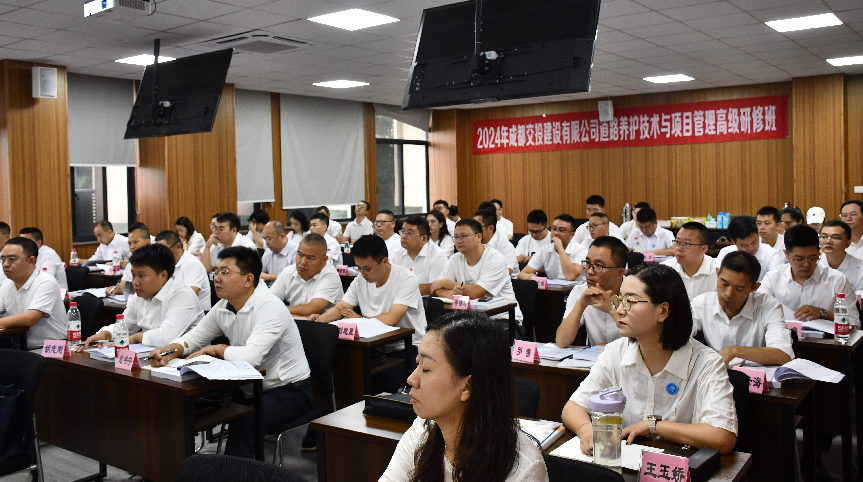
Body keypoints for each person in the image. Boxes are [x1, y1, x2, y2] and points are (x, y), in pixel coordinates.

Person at [149, 247, 312, 459]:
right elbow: (195, 337)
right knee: (186, 401)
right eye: (216, 272)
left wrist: (219, 349)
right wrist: (170, 351)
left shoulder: (270, 306)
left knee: (245, 421)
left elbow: (251, 358)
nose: (217, 278)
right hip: (247, 386)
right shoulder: (224, 305)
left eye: (225, 273)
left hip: (288, 389)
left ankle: (233, 473)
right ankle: (172, 466)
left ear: (248, 279)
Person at [562, 263, 738, 455]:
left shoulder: (707, 363)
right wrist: (587, 430)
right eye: (619, 300)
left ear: (663, 311)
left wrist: (653, 426)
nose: (619, 310)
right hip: (626, 462)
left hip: (675, 466)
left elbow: (722, 438)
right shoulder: (616, 352)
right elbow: (573, 407)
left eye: (630, 301)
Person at [380, 311, 549, 482]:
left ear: (467, 387)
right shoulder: (422, 431)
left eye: (426, 369)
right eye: (418, 364)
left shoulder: (523, 469)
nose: (411, 379)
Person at [311, 235, 426, 390]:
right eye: (359, 268)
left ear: (384, 261)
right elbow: (341, 308)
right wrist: (322, 319)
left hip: (405, 349)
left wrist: (362, 319)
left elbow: (391, 319)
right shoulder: (361, 279)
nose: (362, 273)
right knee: (344, 376)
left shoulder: (406, 279)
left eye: (367, 269)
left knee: (378, 386)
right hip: (373, 347)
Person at [80, 244, 204, 348]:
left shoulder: (183, 296)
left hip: (188, 361)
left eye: (141, 276)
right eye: (133, 275)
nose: (135, 282)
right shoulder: (141, 295)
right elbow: (125, 325)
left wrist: (136, 338)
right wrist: (105, 334)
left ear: (163, 276)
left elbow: (165, 338)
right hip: (153, 355)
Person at [690, 251, 793, 367]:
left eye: (739, 289)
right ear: (717, 274)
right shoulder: (701, 304)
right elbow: (678, 338)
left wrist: (734, 351)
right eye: (724, 284)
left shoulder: (769, 306)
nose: (729, 294)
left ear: (754, 287)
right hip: (715, 373)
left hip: (755, 375)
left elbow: (783, 355)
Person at [758, 225, 859, 326]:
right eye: (799, 259)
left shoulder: (837, 280)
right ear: (786, 254)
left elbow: (854, 322)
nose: (806, 264)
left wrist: (824, 314)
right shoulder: (773, 279)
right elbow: (758, 315)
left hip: (825, 336)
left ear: (819, 253)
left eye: (812, 258)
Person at [431, 219, 521, 325]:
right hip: (470, 319)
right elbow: (435, 289)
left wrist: (445, 283)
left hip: (502, 318)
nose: (459, 241)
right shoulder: (455, 259)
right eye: (456, 237)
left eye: (464, 236)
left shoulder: (495, 259)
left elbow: (476, 292)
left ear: (478, 237)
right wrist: (451, 294)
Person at [556, 237, 627, 347]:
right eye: (588, 263)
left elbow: (640, 341)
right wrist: (581, 304)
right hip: (596, 357)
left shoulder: (637, 293)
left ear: (619, 273)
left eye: (599, 266)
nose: (589, 271)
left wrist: (611, 310)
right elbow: (562, 341)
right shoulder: (580, 291)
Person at [0, 237, 65, 349]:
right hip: (20, 346)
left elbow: (30, 318)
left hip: (48, 347)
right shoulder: (8, 283)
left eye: (12, 259)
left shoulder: (46, 282)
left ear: (31, 261)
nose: (5, 264)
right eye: (3, 259)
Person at [270, 234, 344, 316]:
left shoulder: (330, 276)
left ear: (324, 260)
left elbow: (312, 309)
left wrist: (279, 309)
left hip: (322, 323)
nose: (302, 262)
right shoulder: (288, 272)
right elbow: (269, 301)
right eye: (300, 255)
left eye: (310, 258)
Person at [154, 231, 212, 310]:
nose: (160, 255)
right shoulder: (165, 264)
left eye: (164, 251)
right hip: (174, 309)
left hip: (194, 313)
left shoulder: (193, 264)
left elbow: (190, 296)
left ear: (178, 246)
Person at [390, 215, 447, 295]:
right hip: (398, 299)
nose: (403, 236)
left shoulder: (438, 256)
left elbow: (435, 287)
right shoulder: (397, 254)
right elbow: (388, 282)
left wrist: (402, 288)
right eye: (403, 232)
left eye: (410, 233)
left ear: (423, 238)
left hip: (425, 301)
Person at [519, 214, 586, 282]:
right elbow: (521, 274)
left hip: (576, 288)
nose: (556, 233)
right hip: (552, 288)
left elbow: (571, 276)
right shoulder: (544, 250)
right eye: (554, 229)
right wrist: (530, 277)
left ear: (572, 235)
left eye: (561, 230)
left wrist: (560, 248)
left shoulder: (580, 250)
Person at [716, 215, 782, 282]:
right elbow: (718, 278)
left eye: (754, 242)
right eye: (744, 245)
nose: (750, 248)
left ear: (758, 234)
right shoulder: (725, 253)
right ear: (733, 241)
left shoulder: (772, 255)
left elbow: (774, 282)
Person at [661, 222, 717, 300]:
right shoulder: (665, 270)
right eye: (677, 242)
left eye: (687, 244)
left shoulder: (718, 271)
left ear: (703, 249)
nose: (679, 248)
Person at [107, 223, 150, 296]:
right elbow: (122, 286)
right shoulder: (131, 263)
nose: (132, 247)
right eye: (129, 244)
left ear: (147, 242)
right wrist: (116, 289)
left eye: (135, 242)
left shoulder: (154, 262)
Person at [819, 220, 863, 291]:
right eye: (824, 237)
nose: (828, 241)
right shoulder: (812, 265)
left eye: (835, 238)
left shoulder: (861, 268)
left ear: (847, 243)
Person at [475, 209, 518, 276]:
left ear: (490, 228)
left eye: (477, 227)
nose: (473, 230)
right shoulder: (474, 243)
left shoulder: (504, 244)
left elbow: (507, 272)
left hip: (508, 281)